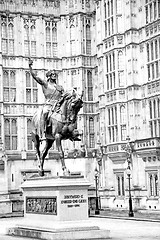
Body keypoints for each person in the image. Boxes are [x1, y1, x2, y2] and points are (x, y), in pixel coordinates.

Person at [29, 58, 64, 136]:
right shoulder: (45, 84)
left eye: (55, 74)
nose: (54, 75)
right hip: (49, 105)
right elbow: (35, 77)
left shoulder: (60, 87)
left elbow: (63, 97)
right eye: (52, 74)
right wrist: (30, 67)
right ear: (49, 76)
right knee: (45, 113)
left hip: (58, 106)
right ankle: (43, 131)